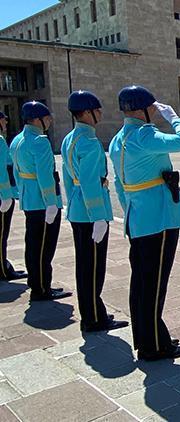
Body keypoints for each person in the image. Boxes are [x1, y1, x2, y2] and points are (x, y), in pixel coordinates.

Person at [108, 85, 180, 361]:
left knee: (143, 283)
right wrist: (176, 119)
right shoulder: (144, 135)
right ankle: (154, 345)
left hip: (139, 217)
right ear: (143, 109)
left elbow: (120, 186)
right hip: (158, 219)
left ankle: (149, 338)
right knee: (154, 284)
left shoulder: (118, 139)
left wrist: (133, 210)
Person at [61, 91, 128, 332]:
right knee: (93, 268)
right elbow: (90, 182)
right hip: (91, 214)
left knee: (85, 265)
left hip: (79, 210)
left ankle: (93, 312)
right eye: (97, 109)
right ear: (87, 112)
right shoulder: (89, 142)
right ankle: (93, 318)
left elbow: (70, 180)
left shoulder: (70, 139)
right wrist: (99, 216)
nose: (100, 113)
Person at [10, 102, 70, 301]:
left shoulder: (17, 140)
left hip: (29, 199)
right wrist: (51, 202)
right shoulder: (39, 141)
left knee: (33, 245)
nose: (50, 121)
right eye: (47, 117)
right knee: (44, 247)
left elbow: (17, 173)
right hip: (43, 202)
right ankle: (42, 288)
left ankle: (36, 283)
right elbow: (45, 176)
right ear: (37, 119)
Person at [0, 111, 27, 282]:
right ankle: (2, 269)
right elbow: (2, 170)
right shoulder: (0, 141)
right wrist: (5, 194)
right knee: (2, 234)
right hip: (2, 195)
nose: (6, 122)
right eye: (3, 119)